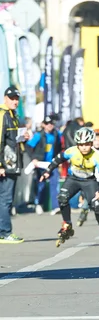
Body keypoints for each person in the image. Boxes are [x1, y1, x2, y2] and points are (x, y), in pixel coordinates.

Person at [40, 127, 99, 247]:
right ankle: (67, 224)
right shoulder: (72, 151)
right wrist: (48, 171)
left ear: (91, 143)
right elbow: (57, 160)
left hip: (89, 181)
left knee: (97, 204)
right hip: (73, 179)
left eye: (87, 144)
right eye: (81, 144)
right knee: (62, 197)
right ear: (77, 144)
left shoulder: (96, 156)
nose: (84, 147)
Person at [0, 86, 24, 243]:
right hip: (6, 165)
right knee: (5, 199)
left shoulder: (14, 115)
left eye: (17, 99)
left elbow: (13, 141)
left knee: (5, 199)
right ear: (5, 98)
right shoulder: (3, 115)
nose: (15, 101)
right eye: (12, 98)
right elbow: (0, 140)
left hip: (13, 163)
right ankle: (4, 232)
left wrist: (23, 138)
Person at [26, 114, 63, 215]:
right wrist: (33, 159)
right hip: (40, 163)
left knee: (55, 184)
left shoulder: (57, 134)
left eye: (51, 123)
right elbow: (28, 146)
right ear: (43, 124)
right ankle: (38, 203)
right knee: (40, 184)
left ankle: (55, 206)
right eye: (47, 123)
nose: (50, 125)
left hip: (52, 163)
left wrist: (59, 160)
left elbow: (60, 147)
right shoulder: (39, 135)